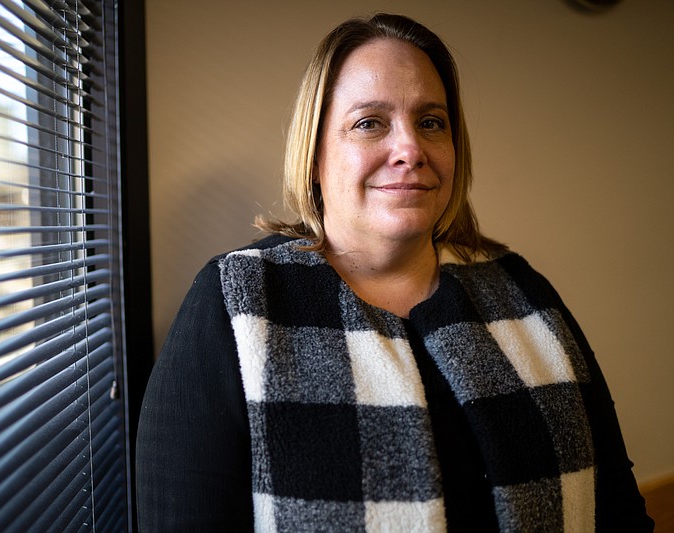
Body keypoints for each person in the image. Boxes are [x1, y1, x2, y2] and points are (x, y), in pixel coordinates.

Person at [137, 13, 653, 532]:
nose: (411, 150)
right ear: (315, 155)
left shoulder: (522, 289)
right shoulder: (237, 301)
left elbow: (616, 506)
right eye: (369, 123)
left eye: (431, 122)